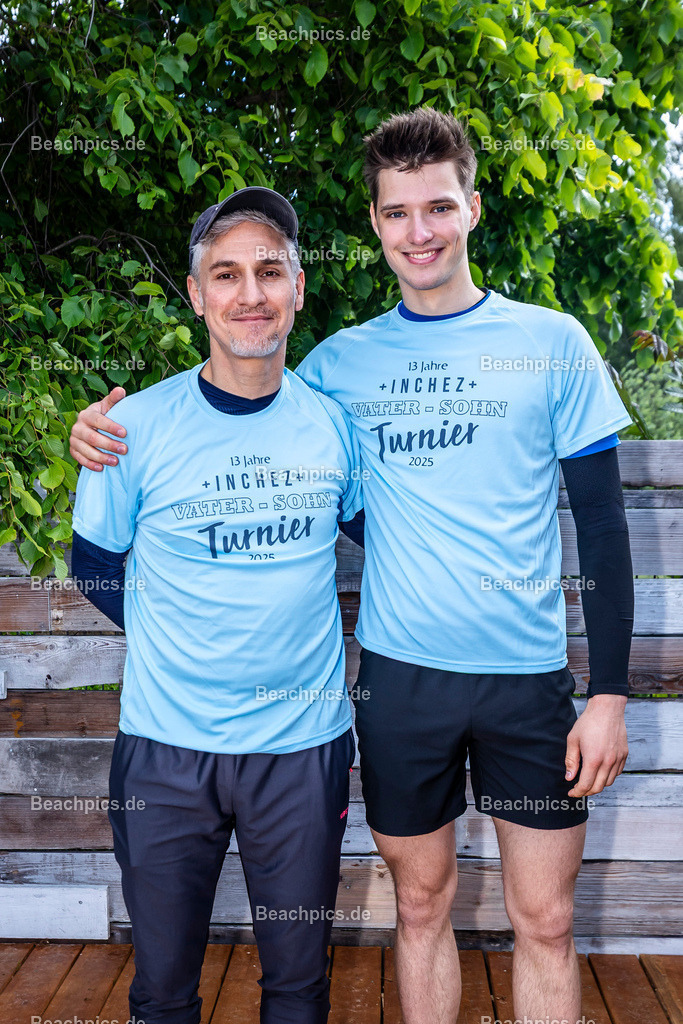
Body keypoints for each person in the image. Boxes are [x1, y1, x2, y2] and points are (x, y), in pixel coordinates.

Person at [69, 108, 634, 1024]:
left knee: (546, 918)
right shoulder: (337, 370)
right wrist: (96, 437)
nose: (420, 231)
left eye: (438, 207)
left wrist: (608, 691)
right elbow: (234, 428)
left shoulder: (551, 344)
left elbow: (603, 534)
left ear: (473, 209)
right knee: (417, 907)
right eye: (399, 212)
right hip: (399, 684)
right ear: (374, 225)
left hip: (525, 682)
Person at [70, 187, 363, 1024]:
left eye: (269, 271)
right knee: (162, 992)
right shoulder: (133, 428)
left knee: (298, 991)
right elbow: (94, 566)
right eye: (225, 274)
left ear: (298, 288)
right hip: (164, 754)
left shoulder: (333, 427)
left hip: (301, 752)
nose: (250, 294)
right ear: (196, 295)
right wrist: (185, 638)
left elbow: (392, 544)